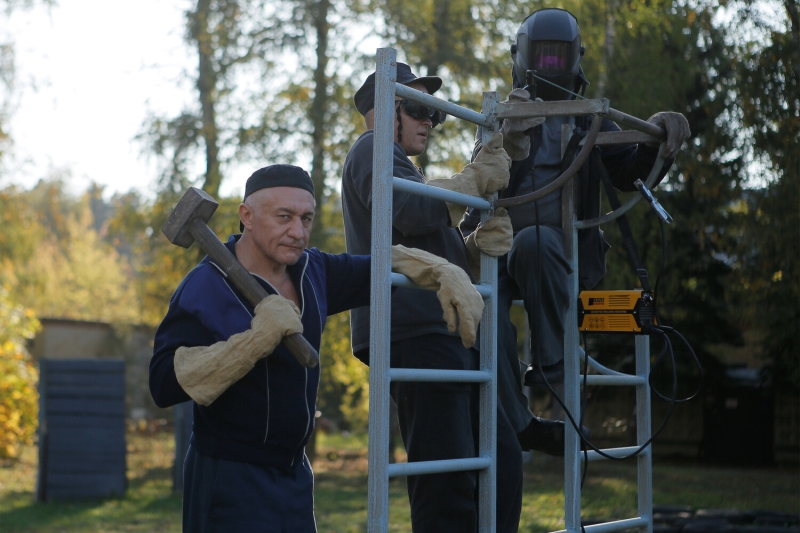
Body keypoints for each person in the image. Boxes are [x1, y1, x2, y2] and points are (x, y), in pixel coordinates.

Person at [149, 164, 485, 533]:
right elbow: (163, 383)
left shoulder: (314, 270)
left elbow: (381, 264)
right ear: (247, 215)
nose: (297, 232)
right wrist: (254, 341)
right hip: (228, 477)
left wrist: (443, 269)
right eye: (284, 217)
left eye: (306, 218)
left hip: (295, 476)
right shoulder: (204, 288)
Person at [460, 8, 692, 454]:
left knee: (536, 241)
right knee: (484, 313)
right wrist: (508, 136)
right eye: (541, 56)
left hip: (558, 252)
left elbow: (629, 172)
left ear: (575, 59)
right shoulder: (496, 119)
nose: (550, 66)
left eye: (558, 57)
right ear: (521, 57)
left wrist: (660, 136)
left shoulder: (590, 121)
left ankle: (549, 365)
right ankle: (523, 422)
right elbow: (477, 180)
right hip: (496, 253)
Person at [341, 62, 525, 532]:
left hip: (445, 327)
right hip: (415, 328)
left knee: (499, 464)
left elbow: (423, 237)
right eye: (420, 108)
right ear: (386, 110)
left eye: (435, 114)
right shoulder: (371, 149)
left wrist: (472, 243)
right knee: (446, 484)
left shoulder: (408, 170)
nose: (430, 121)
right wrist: (474, 179)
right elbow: (411, 210)